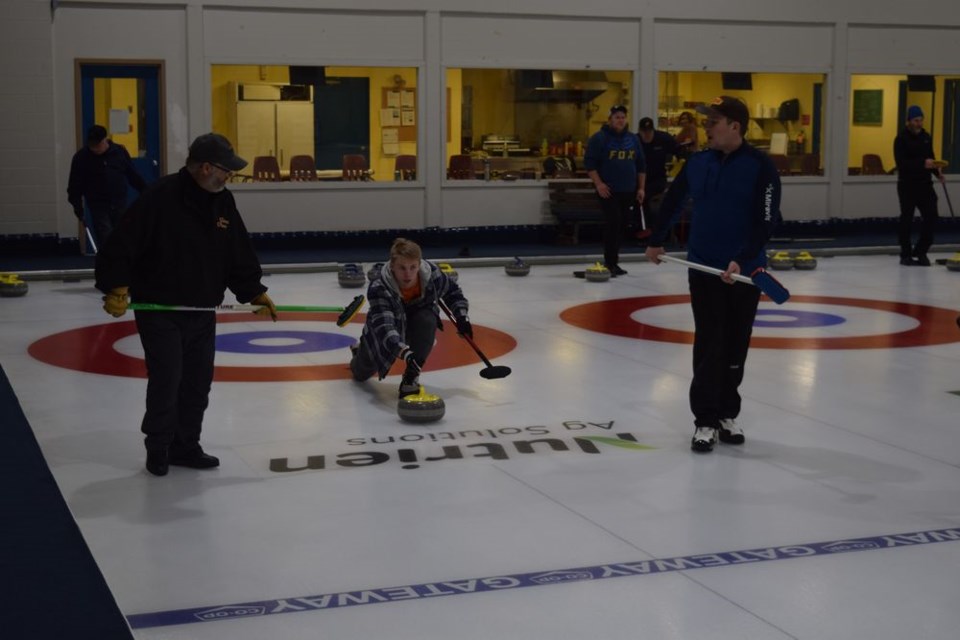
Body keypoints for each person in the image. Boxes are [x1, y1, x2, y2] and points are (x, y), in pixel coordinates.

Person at [94, 133, 278, 477]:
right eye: (226, 170)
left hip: (202, 311)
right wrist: (116, 286)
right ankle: (159, 446)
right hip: (161, 310)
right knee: (168, 378)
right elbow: (122, 243)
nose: (229, 177)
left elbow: (236, 250)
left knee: (197, 382)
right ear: (206, 167)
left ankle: (185, 446)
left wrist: (253, 290)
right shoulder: (160, 198)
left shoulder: (223, 201)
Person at [644, 96, 782, 453]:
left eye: (713, 121)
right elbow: (673, 201)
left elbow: (767, 220)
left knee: (737, 343)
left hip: (746, 271)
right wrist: (656, 241)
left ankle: (726, 413)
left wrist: (743, 258)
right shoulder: (697, 161)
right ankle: (704, 418)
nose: (706, 126)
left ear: (734, 126)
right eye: (706, 120)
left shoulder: (760, 166)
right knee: (710, 341)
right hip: (704, 268)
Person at [350, 238, 471, 398]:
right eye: (402, 268)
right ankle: (359, 353)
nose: (408, 274)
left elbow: (453, 293)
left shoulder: (432, 275)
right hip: (386, 331)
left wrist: (462, 317)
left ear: (419, 264)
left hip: (419, 319)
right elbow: (386, 328)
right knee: (361, 374)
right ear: (392, 266)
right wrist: (405, 353)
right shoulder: (379, 288)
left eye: (413, 267)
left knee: (428, 319)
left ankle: (411, 376)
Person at [583, 104, 646, 276]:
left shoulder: (633, 139)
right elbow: (590, 164)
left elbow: (641, 165)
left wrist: (641, 188)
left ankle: (614, 261)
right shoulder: (599, 138)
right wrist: (599, 184)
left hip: (628, 190)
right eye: (617, 117)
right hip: (609, 190)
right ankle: (609, 262)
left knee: (622, 225)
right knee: (614, 223)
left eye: (623, 117)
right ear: (610, 119)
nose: (620, 120)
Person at [67, 124, 148, 246]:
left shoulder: (119, 152)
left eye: (98, 145)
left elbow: (133, 175)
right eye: (92, 146)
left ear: (105, 140)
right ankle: (108, 262)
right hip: (98, 204)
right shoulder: (81, 158)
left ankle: (122, 262)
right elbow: (74, 184)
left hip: (119, 201)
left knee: (122, 235)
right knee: (105, 236)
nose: (95, 149)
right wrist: (77, 205)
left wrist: (146, 191)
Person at [893, 105, 945, 266]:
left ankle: (921, 250)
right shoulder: (901, 139)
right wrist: (923, 163)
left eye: (921, 120)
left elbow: (931, 158)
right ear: (908, 121)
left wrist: (938, 172)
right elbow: (901, 163)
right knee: (906, 219)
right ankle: (906, 253)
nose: (919, 123)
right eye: (916, 120)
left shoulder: (926, 137)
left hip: (925, 185)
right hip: (907, 185)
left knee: (932, 216)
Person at [637, 116, 678, 238]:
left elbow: (678, 150)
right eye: (644, 132)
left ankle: (650, 229)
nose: (647, 135)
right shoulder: (634, 140)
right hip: (640, 179)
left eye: (649, 132)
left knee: (644, 196)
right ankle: (641, 228)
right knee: (637, 197)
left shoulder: (663, 138)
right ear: (640, 131)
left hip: (658, 179)